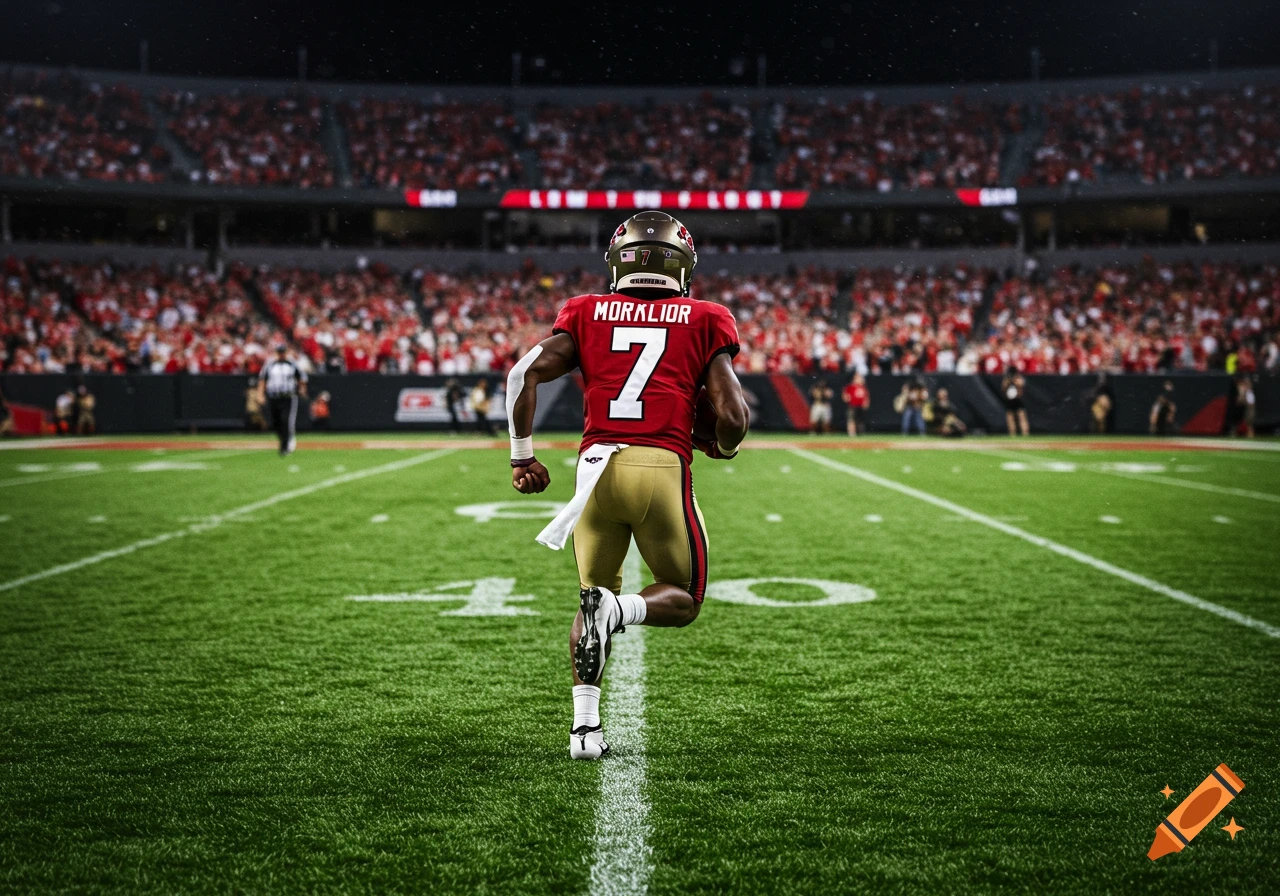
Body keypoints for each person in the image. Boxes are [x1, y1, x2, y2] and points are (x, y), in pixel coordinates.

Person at [504, 211, 748, 761]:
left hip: (593, 475)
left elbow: (522, 374)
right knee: (682, 598)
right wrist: (724, 446)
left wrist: (522, 457)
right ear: (683, 267)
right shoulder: (706, 317)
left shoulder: (587, 310)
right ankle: (619, 612)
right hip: (659, 467)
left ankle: (584, 731)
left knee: (590, 597)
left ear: (618, 262)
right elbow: (732, 416)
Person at [257, 344, 308, 456]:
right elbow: (262, 380)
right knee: (275, 422)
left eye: (283, 352)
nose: (281, 354)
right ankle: (284, 440)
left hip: (288, 396)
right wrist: (260, 394)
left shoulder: (292, 364)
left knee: (286, 420)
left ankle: (285, 446)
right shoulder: (270, 365)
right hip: (274, 396)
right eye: (279, 352)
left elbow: (301, 378)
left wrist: (302, 389)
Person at [1002, 370, 1030, 436]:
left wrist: (1014, 381)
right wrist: (1008, 381)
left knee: (1021, 416)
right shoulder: (1006, 380)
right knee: (1010, 417)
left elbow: (1021, 386)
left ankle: (1025, 433)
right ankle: (1012, 434)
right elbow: (1003, 388)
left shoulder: (1018, 378)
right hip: (1010, 400)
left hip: (1018, 399)